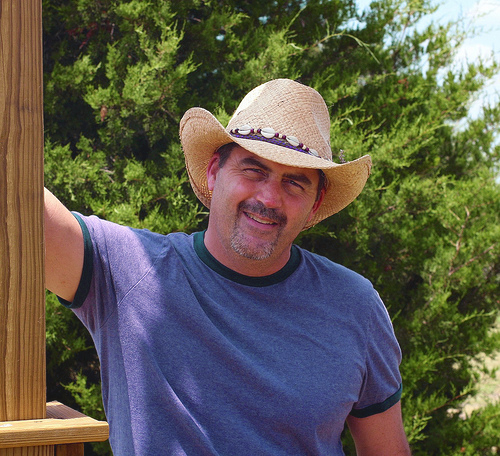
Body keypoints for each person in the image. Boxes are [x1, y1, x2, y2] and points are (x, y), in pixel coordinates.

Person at [45, 78, 411, 455]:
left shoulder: (355, 306)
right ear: (214, 172)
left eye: (294, 183)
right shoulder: (126, 270)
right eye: (254, 170)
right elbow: (22, 208)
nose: (269, 198)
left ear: (315, 204)